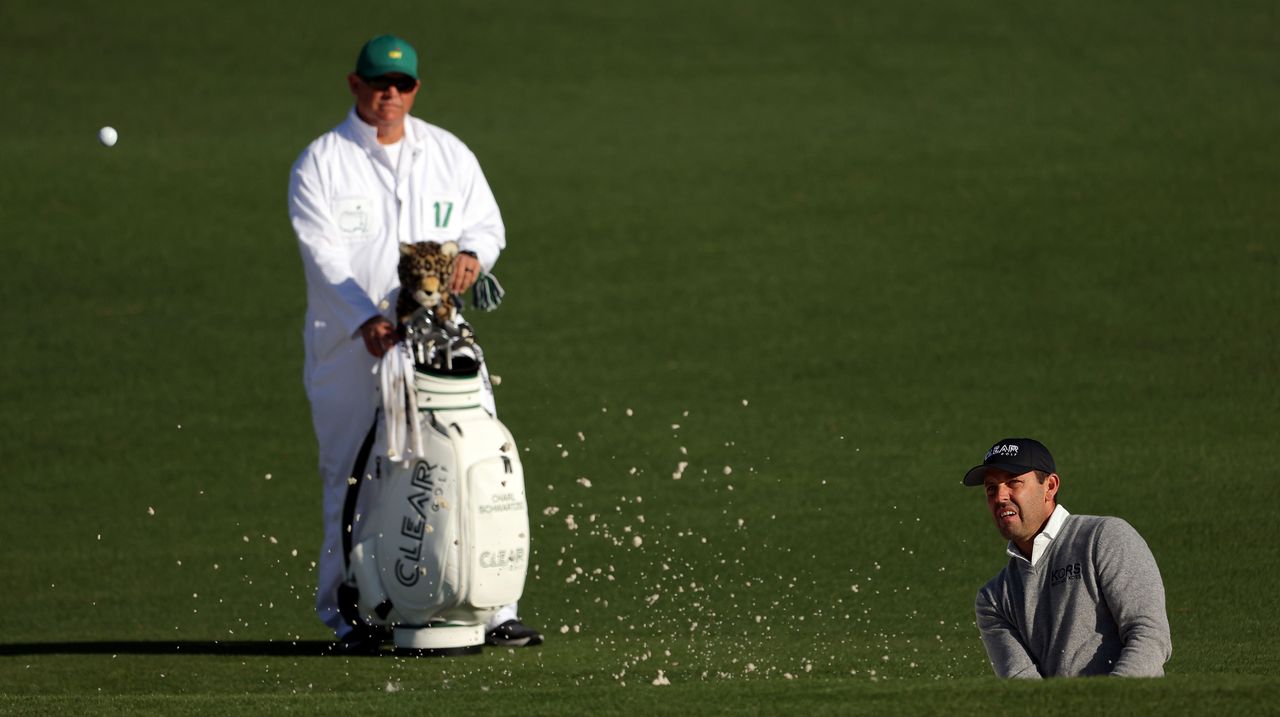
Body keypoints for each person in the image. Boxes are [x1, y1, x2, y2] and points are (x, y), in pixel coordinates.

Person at [287, 34, 542, 653]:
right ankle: (350, 617)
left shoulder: (447, 153)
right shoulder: (321, 163)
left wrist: (476, 256)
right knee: (351, 477)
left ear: (416, 90)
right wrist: (363, 320)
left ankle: (493, 607)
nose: (389, 95)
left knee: (473, 458)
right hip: (352, 349)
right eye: (378, 84)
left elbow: (486, 222)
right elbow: (323, 254)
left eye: (401, 85)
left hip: (442, 343)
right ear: (355, 85)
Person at [963, 437, 1171, 678]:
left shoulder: (1105, 537)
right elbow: (1022, 686)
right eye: (991, 488)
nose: (1000, 497)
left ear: (1050, 486)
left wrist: (1112, 702)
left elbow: (1150, 636)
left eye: (1014, 482)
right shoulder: (993, 599)